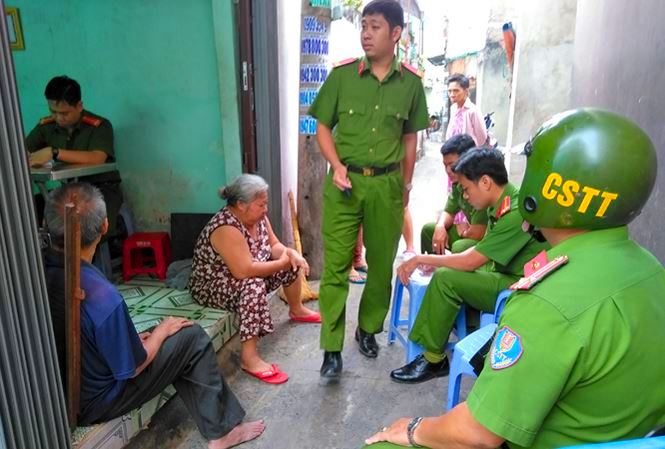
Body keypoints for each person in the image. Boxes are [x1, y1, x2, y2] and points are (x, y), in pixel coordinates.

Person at [362, 108, 665, 448]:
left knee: (384, 445)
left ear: (549, 187)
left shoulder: (545, 301)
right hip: (630, 433)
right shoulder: (651, 268)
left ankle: (433, 358)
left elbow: (479, 434)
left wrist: (412, 427)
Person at [43, 183, 265, 449]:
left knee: (165, 338)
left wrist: (144, 338)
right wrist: (160, 332)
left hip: (55, 394)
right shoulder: (102, 296)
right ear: (104, 227)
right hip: (95, 403)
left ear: (47, 223)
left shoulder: (36, 269)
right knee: (189, 337)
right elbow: (134, 367)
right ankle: (222, 432)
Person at [308, 0, 429, 380]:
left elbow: (410, 137)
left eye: (375, 26)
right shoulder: (342, 77)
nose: (366, 33)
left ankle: (368, 329)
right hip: (344, 184)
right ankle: (331, 349)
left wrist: (406, 183)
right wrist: (337, 166)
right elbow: (322, 128)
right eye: (363, 25)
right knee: (337, 268)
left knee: (380, 265)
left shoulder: (411, 83)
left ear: (396, 34)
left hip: (387, 185)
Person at [389, 148, 549, 384]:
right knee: (451, 266)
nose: (464, 196)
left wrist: (421, 259)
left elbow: (471, 260)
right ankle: (459, 324)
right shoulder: (504, 204)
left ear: (485, 182)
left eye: (466, 189)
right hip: (505, 272)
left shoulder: (514, 213)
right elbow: (479, 253)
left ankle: (434, 359)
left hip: (519, 289)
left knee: (446, 278)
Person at [188, 174, 320, 385]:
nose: (265, 209)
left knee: (290, 260)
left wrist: (290, 254)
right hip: (212, 285)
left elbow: (275, 246)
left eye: (265, 204)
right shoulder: (225, 228)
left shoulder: (258, 218)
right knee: (253, 285)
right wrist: (284, 261)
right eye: (261, 205)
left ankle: (296, 309)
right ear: (241, 205)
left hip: (243, 274)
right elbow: (244, 271)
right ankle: (249, 358)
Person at [26, 75, 123, 234]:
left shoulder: (100, 126)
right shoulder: (46, 126)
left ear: (79, 106)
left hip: (100, 190)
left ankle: (81, 257)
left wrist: (54, 152)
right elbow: (22, 150)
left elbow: (97, 157)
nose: (58, 118)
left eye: (64, 113)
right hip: (67, 191)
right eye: (53, 112)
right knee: (26, 211)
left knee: (84, 230)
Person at [420, 134, 488, 255]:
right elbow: (448, 211)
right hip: (471, 232)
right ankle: (431, 268)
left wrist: (464, 231)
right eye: (445, 165)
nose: (447, 170)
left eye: (452, 165)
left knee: (459, 247)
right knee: (430, 231)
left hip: (487, 242)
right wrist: (440, 226)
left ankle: (447, 271)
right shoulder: (458, 184)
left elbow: (478, 233)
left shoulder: (481, 185)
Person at [445, 73, 487, 148]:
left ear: (466, 91)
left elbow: (482, 137)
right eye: (449, 91)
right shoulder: (453, 108)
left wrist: (470, 149)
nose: (452, 94)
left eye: (456, 91)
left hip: (467, 153)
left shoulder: (473, 110)